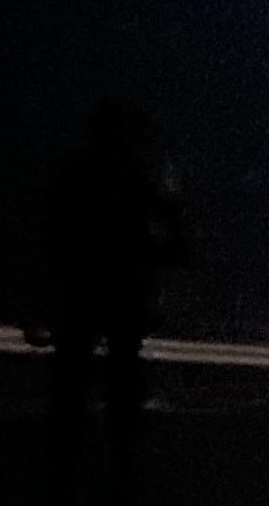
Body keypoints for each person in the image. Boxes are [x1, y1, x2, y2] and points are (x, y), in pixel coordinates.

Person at [40, 101, 191, 440]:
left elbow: (51, 233)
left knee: (80, 369)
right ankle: (112, 441)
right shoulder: (134, 171)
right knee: (113, 368)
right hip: (118, 284)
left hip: (92, 283)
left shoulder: (81, 170)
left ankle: (76, 441)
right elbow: (165, 220)